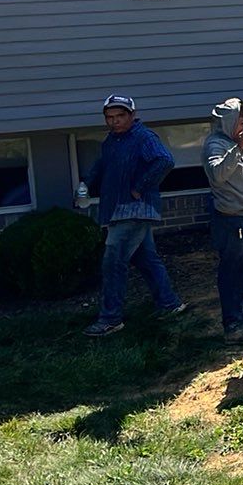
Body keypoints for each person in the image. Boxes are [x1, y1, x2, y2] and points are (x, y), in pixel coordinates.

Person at [83, 94, 183, 337]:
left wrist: (140, 187)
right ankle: (170, 304)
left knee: (113, 262)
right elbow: (103, 165)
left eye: (120, 116)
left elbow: (164, 160)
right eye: (110, 117)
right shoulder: (111, 141)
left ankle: (110, 319)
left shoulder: (143, 137)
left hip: (135, 210)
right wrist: (85, 183)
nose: (115, 121)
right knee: (146, 259)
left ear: (132, 115)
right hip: (117, 209)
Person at [202, 99, 243, 344]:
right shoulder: (216, 144)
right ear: (228, 121)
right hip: (231, 221)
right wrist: (239, 146)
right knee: (233, 273)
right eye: (241, 121)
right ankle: (233, 325)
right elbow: (218, 176)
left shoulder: (240, 144)